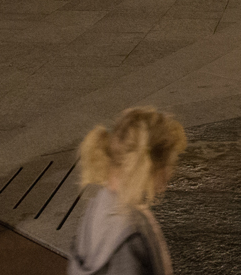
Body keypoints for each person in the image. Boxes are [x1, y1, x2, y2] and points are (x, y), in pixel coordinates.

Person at [68, 106, 186, 275]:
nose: (170, 173)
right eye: (168, 164)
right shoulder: (129, 234)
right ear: (146, 165)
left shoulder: (97, 205)